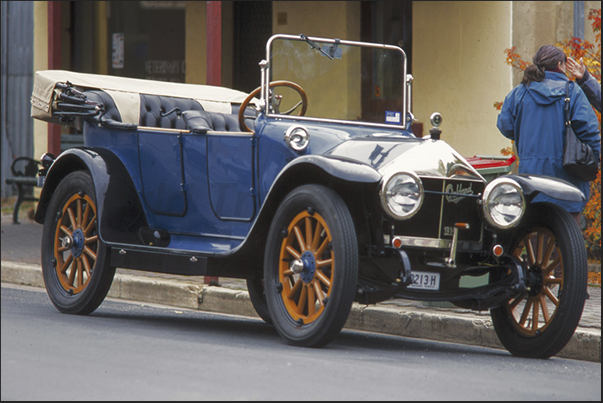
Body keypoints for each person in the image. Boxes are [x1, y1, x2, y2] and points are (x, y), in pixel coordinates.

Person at [497, 45, 601, 224]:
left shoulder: (519, 93)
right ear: (561, 65)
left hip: (530, 182)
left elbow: (505, 126)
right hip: (568, 183)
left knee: (535, 239)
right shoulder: (572, 92)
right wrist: (595, 160)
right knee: (567, 246)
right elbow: (590, 131)